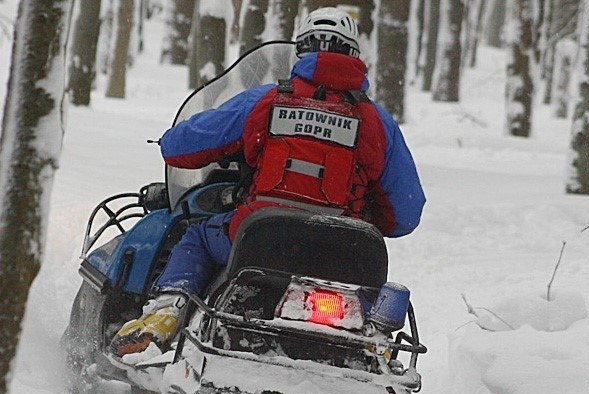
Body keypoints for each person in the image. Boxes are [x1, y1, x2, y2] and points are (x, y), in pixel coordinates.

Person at [110, 7, 426, 358]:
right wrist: (358, 214)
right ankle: (368, 346)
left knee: (197, 235)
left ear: (301, 50)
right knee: (363, 289)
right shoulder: (377, 122)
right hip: (343, 254)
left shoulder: (268, 100)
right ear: (353, 54)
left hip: (261, 241)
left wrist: (178, 140)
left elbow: (181, 148)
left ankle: (166, 311)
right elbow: (406, 213)